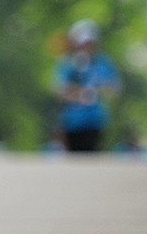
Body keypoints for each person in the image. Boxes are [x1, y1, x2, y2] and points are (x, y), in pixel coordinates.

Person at [51, 19, 121, 153]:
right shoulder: (67, 63)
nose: (86, 47)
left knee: (91, 158)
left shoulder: (103, 63)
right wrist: (78, 93)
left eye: (89, 43)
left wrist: (95, 92)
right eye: (82, 44)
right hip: (71, 122)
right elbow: (59, 90)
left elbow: (114, 89)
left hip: (94, 121)